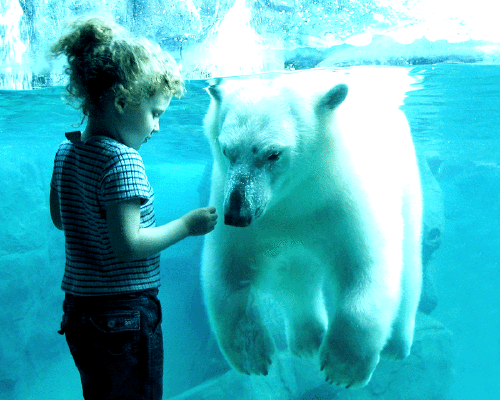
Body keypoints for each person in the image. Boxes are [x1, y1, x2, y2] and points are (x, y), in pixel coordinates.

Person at [49, 16, 217, 400]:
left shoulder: (65, 152)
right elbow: (129, 246)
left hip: (79, 313)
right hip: (122, 314)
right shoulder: (123, 160)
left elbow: (61, 220)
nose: (157, 127)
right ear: (122, 102)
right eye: (155, 113)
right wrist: (187, 225)